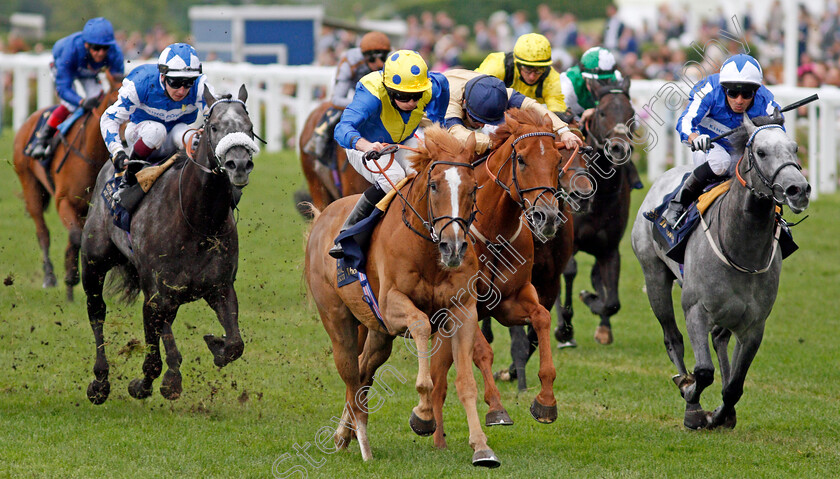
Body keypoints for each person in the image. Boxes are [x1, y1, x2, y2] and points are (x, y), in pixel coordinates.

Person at [329, 50, 449, 258]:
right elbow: (341, 129)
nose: (412, 103)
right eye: (404, 96)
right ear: (389, 90)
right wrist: (365, 145)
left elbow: (440, 102)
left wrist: (438, 131)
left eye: (417, 96)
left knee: (426, 175)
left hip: (403, 139)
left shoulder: (434, 85)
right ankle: (349, 232)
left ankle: (435, 229)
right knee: (394, 178)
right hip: (364, 146)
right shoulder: (371, 94)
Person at [662, 53, 782, 227]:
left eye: (747, 94)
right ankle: (677, 205)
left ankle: (777, 216)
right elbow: (686, 120)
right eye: (732, 93)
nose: (739, 101)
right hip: (711, 146)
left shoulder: (766, 100)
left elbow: (778, 134)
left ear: (756, 91)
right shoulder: (709, 89)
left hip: (743, 151)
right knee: (720, 162)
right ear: (724, 88)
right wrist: (695, 138)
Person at [100, 43, 215, 199]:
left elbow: (217, 114)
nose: (182, 90)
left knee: (193, 138)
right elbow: (109, 118)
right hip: (141, 134)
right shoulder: (141, 83)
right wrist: (117, 152)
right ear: (162, 76)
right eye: (175, 82)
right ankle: (128, 179)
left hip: (175, 136)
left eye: (188, 83)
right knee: (156, 131)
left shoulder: (200, 86)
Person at [31, 17, 125, 159]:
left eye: (104, 48)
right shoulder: (70, 51)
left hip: (87, 70)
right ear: (87, 45)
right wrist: (81, 101)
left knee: (99, 101)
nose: (100, 53)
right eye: (96, 48)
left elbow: (117, 86)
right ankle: (42, 140)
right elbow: (64, 89)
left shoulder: (115, 53)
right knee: (71, 105)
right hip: (64, 67)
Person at [442, 69, 582, 154]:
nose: (482, 126)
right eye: (478, 121)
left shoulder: (495, 90)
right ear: (465, 104)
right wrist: (495, 143)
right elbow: (457, 133)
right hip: (425, 121)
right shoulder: (449, 101)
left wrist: (564, 131)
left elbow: (532, 106)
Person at [304, 31, 392, 160]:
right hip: (357, 94)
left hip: (384, 96)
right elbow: (336, 99)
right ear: (364, 56)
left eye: (383, 58)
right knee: (333, 111)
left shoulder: (395, 60)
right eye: (372, 59)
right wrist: (361, 105)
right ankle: (318, 140)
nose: (378, 64)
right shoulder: (349, 62)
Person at [475, 33, 567, 114]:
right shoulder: (496, 66)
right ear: (517, 64)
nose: (532, 77)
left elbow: (556, 107)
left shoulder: (551, 77)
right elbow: (475, 92)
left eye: (539, 70)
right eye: (528, 69)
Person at [559, 46, 622, 126]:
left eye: (605, 81)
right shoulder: (568, 83)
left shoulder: (617, 79)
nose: (600, 87)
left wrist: (596, 111)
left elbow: (631, 118)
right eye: (595, 82)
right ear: (583, 76)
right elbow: (559, 119)